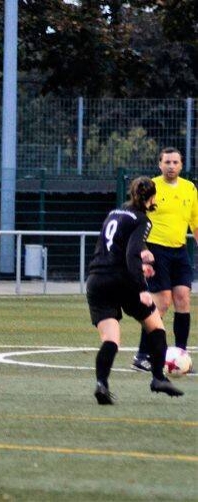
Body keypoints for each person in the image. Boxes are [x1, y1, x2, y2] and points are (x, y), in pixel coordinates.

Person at [86, 176, 183, 405]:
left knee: (111, 339)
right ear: (152, 198)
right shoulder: (142, 219)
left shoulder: (115, 213)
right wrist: (142, 288)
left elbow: (118, 246)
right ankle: (158, 378)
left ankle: (102, 384)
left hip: (97, 280)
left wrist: (143, 256)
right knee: (156, 327)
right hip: (123, 281)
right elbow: (130, 254)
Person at [131, 147, 198, 372]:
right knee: (161, 303)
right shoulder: (151, 186)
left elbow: (195, 222)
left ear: (181, 165)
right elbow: (137, 219)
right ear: (159, 164)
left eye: (175, 162)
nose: (171, 166)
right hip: (156, 250)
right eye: (167, 162)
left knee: (183, 299)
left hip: (180, 251)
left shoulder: (190, 188)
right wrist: (142, 250)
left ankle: (180, 355)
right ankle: (142, 355)